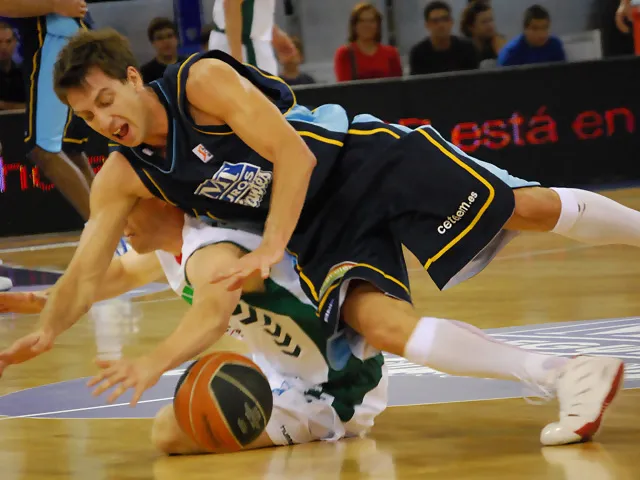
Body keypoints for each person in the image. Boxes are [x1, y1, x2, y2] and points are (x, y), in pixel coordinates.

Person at [0, 28, 634, 447]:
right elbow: (90, 266)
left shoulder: (199, 82)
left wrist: (271, 245)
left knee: (523, 208)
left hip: (354, 160)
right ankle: (565, 375)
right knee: (382, 325)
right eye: (87, 115)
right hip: (318, 226)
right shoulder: (122, 175)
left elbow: (294, 155)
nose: (104, 120)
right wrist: (48, 329)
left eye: (107, 99)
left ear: (133, 78)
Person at [0, 198, 623, 452]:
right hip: (285, 372)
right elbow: (98, 279)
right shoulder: (163, 249)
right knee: (173, 430)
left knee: (176, 429)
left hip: (333, 382)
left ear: (157, 201)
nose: (111, 222)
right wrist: (29, 308)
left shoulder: (211, 246)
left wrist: (151, 362)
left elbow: (210, 312)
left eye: (121, 209)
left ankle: (555, 371)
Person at [0, 1, 129, 254]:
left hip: (53, 39)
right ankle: (120, 232)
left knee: (43, 149)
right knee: (70, 149)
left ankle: (108, 240)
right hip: (74, 36)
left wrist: (54, 4)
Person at [207, 0, 296, 74]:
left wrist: (273, 33)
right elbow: (231, 4)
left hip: (246, 44)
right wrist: (236, 60)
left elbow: (251, 8)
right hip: (242, 47)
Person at [334, 2, 402, 82]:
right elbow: (345, 86)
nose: (367, 25)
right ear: (354, 25)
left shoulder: (391, 53)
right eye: (362, 21)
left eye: (372, 21)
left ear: (378, 25)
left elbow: (398, 85)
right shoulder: (345, 53)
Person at [409, 1, 479, 76]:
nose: (441, 25)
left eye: (445, 19)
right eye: (435, 21)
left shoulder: (467, 48)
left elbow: (475, 79)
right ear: (427, 25)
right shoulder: (418, 53)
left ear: (451, 22)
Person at [497, 5, 566, 67]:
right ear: (525, 29)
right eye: (535, 29)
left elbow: (564, 74)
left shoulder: (555, 46)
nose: (541, 34)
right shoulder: (511, 53)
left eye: (545, 28)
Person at [139, 17, 188, 83]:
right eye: (160, 38)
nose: (166, 41)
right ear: (153, 43)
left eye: (169, 36)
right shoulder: (145, 73)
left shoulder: (188, 65)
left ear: (177, 39)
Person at [459, 1, 506, 66]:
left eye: (491, 20)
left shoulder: (497, 42)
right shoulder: (462, 50)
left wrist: (502, 52)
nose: (490, 25)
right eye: (484, 22)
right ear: (471, 27)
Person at [0, 21, 25, 110]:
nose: (4, 47)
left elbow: (34, 105)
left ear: (15, 42)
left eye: (8, 41)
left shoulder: (25, 72)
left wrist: (4, 105)